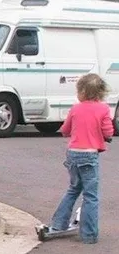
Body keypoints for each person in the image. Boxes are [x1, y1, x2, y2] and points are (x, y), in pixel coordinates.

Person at [45, 73, 113, 244]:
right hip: (89, 155)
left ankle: (59, 224)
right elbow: (108, 131)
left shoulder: (75, 109)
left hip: (73, 154)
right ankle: (89, 234)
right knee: (91, 195)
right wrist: (106, 136)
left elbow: (65, 130)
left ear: (82, 91)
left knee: (73, 189)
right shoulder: (103, 109)